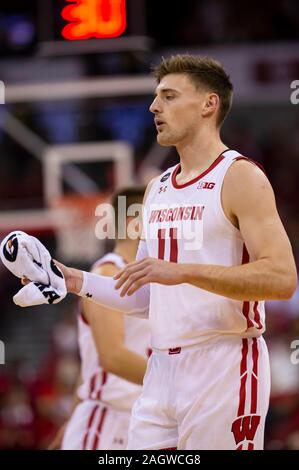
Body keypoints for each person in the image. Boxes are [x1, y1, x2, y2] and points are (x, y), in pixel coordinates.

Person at [7, 54, 297, 450]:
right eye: (156, 97)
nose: (154, 107)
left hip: (224, 361)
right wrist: (72, 279)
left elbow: (281, 279)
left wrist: (183, 271)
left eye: (169, 96)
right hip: (161, 367)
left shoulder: (241, 176)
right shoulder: (156, 188)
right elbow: (143, 294)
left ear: (208, 105)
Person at [49, 187, 151, 450]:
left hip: (133, 418)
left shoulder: (148, 277)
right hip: (107, 419)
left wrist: (71, 419)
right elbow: (111, 356)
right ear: (135, 224)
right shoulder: (108, 273)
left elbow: (89, 370)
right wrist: (178, 383)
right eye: (158, 216)